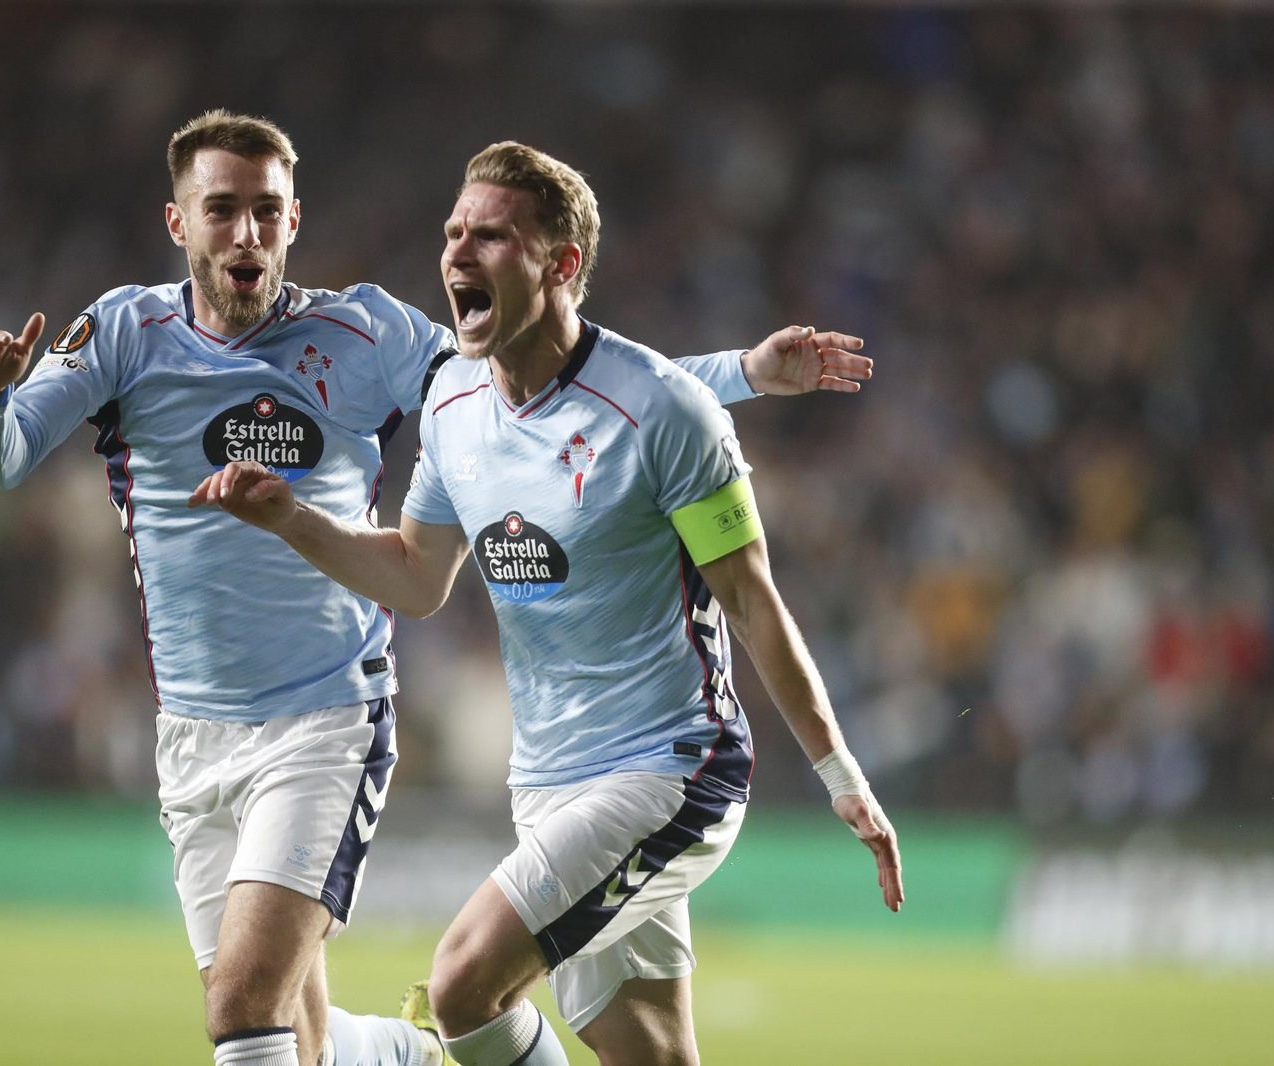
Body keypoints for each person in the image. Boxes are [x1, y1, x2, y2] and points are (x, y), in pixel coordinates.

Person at [0, 113, 873, 1066]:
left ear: (295, 220)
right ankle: (405, 1054)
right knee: (298, 1039)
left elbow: (555, 388)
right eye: (221, 210)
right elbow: (1, 461)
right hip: (191, 732)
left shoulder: (364, 333)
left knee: (244, 1012)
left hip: (325, 717)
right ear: (177, 222)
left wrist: (741, 376)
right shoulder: (121, 334)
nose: (247, 233)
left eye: (267, 211)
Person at [190, 141, 902, 1066]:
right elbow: (415, 575)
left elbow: (752, 600)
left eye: (490, 236)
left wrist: (841, 775)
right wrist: (293, 519)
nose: (457, 254)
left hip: (672, 770)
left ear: (562, 264)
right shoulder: (451, 404)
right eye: (453, 233)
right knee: (649, 1051)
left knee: (462, 982)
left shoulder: (668, 413)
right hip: (550, 783)